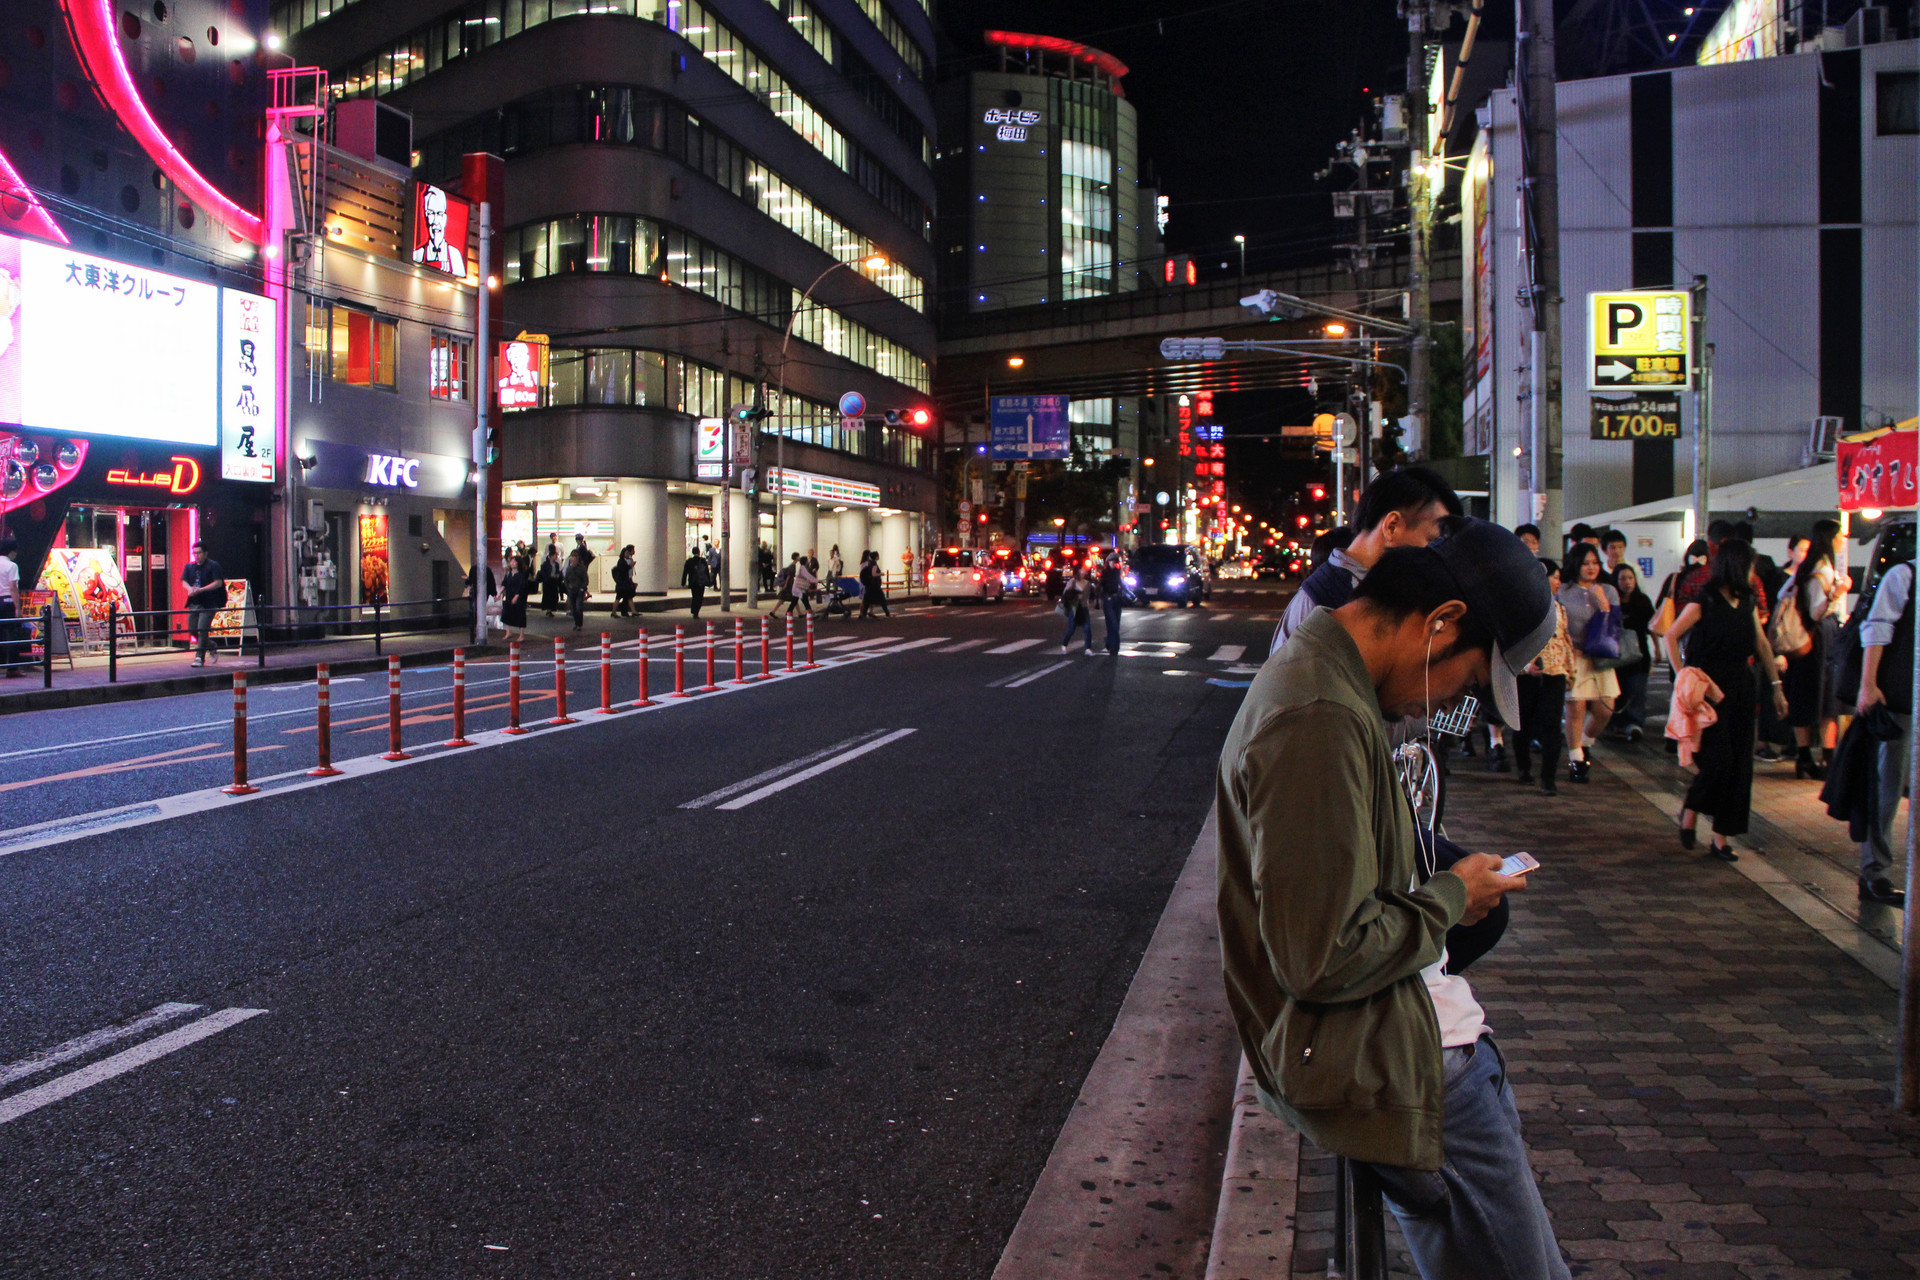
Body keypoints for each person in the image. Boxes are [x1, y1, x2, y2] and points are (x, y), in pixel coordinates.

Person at [1217, 521, 1565, 1280]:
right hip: (1384, 1056)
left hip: (1388, 1038)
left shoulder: (1333, 683)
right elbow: (1323, 954)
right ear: (1441, 622)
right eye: (1469, 681)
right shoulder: (1320, 715)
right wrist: (1449, 895)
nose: (1451, 705)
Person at [1663, 539, 1789, 861]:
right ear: (1737, 566)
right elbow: (1671, 634)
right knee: (1718, 760)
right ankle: (1692, 807)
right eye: (1749, 566)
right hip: (1710, 690)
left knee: (1740, 766)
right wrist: (1683, 675)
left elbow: (1761, 644)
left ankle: (1721, 838)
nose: (1752, 573)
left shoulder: (1746, 602)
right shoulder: (1704, 600)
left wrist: (1776, 686)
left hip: (1742, 687)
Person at [1272, 466, 1463, 651]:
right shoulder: (1326, 602)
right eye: (1431, 540)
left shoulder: (1381, 587)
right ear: (1392, 526)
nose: (1436, 553)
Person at [1853, 554, 1914, 905]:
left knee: (1890, 785)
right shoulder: (1904, 574)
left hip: (1902, 698)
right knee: (1887, 786)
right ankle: (1874, 871)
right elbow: (1877, 627)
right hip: (1900, 700)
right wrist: (1868, 684)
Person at [1783, 518, 1850, 779]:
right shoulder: (1821, 570)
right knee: (1827, 699)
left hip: (1808, 640)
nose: (1844, 539)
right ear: (1830, 539)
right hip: (1821, 638)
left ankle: (1805, 759)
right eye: (1840, 535)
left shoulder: (1807, 568)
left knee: (1806, 696)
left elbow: (1783, 596)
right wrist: (1839, 591)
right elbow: (1817, 611)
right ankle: (1827, 761)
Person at [1557, 543, 1619, 782]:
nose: (1592, 567)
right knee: (1576, 708)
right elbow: (1558, 622)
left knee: (1606, 708)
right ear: (1576, 565)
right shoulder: (1564, 591)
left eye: (1595, 563)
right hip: (1575, 657)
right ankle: (1576, 760)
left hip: (1601, 658)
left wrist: (1602, 603)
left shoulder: (1608, 590)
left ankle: (1585, 741)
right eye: (1586, 563)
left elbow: (1615, 624)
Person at [1514, 558, 1575, 793]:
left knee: (1551, 726)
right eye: (1555, 577)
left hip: (1555, 673)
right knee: (1523, 724)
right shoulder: (1522, 607)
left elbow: (1565, 642)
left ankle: (1548, 778)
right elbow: (1512, 642)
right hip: (1527, 674)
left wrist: (1570, 671)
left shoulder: (1560, 609)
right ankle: (1523, 767)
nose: (1559, 582)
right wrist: (1526, 665)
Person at [1610, 564, 1654, 742]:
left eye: (1630, 578)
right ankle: (1618, 724)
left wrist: (1658, 648)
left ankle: (1635, 724)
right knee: (1618, 691)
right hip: (1615, 656)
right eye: (1622, 578)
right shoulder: (1612, 602)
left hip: (1639, 655)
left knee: (1637, 691)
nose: (1627, 582)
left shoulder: (1642, 601)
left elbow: (1652, 626)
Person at [181, 541, 225, 667]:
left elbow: (218, 583)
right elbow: (184, 581)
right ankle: (211, 645)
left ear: (205, 553)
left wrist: (201, 590)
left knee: (202, 629)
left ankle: (199, 657)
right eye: (194, 553)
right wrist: (190, 589)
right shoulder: (190, 566)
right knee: (193, 630)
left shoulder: (213, 566)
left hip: (209, 602)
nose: (197, 555)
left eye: (199, 553)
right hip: (194, 602)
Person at [1059, 565, 1094, 653]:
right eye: (1084, 568)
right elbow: (1065, 594)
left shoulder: (1087, 583)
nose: (1086, 570)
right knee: (1072, 628)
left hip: (1084, 608)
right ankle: (1064, 644)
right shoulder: (1073, 581)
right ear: (1079, 570)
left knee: (1087, 628)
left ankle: (1088, 648)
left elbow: (1090, 596)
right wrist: (1075, 596)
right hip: (1074, 608)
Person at [499, 555, 531, 643]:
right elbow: (504, 584)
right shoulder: (508, 574)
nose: (512, 563)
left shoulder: (521, 574)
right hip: (509, 596)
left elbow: (522, 586)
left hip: (519, 597)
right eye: (511, 562)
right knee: (505, 614)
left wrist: (516, 596)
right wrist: (499, 594)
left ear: (518, 563)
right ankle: (508, 632)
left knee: (520, 614)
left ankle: (521, 635)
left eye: (514, 562)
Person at [0, 537, 20, 676]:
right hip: (7, 602)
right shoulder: (12, 566)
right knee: (13, 635)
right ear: (12, 552)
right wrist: (18, 607)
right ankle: (12, 668)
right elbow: (13, 587)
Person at [1098, 551, 1124, 655]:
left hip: (1117, 599)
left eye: (1115, 562)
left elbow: (1121, 584)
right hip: (1108, 599)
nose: (1113, 563)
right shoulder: (1105, 573)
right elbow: (1101, 586)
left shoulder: (1117, 572)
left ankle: (1110, 642)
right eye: (1111, 561)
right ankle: (1114, 647)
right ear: (1108, 562)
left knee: (1115, 624)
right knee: (1112, 623)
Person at [858, 550, 891, 619]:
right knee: (882, 599)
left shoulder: (869, 563)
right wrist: (881, 574)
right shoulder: (874, 564)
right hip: (874, 585)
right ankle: (887, 613)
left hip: (869, 584)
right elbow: (873, 574)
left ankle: (863, 614)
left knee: (867, 600)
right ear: (876, 557)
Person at [681, 544, 712, 618]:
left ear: (692, 552)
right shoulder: (703, 560)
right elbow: (706, 572)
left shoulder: (689, 561)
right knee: (700, 597)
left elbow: (685, 572)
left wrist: (683, 582)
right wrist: (709, 581)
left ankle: (694, 610)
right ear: (698, 552)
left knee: (694, 596)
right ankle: (696, 611)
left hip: (693, 582)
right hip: (701, 582)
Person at [564, 547, 589, 630]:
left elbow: (585, 579)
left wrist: (583, 588)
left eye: (574, 560)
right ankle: (576, 623)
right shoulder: (569, 569)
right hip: (572, 590)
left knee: (578, 607)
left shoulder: (582, 568)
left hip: (579, 590)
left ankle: (579, 624)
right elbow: (566, 579)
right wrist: (568, 587)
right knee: (574, 608)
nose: (572, 562)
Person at [537, 544, 564, 617]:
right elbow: (543, 573)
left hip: (554, 581)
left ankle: (552, 608)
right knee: (548, 595)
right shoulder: (545, 564)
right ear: (551, 556)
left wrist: (558, 575)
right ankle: (548, 610)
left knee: (554, 595)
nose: (556, 557)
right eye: (555, 555)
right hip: (547, 582)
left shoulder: (556, 564)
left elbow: (559, 571)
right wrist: (550, 575)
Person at [612, 545, 637, 617]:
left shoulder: (625, 560)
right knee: (619, 597)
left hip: (624, 582)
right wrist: (630, 566)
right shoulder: (621, 561)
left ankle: (633, 611)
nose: (628, 554)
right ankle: (614, 612)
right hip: (622, 583)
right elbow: (623, 570)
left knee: (628, 597)